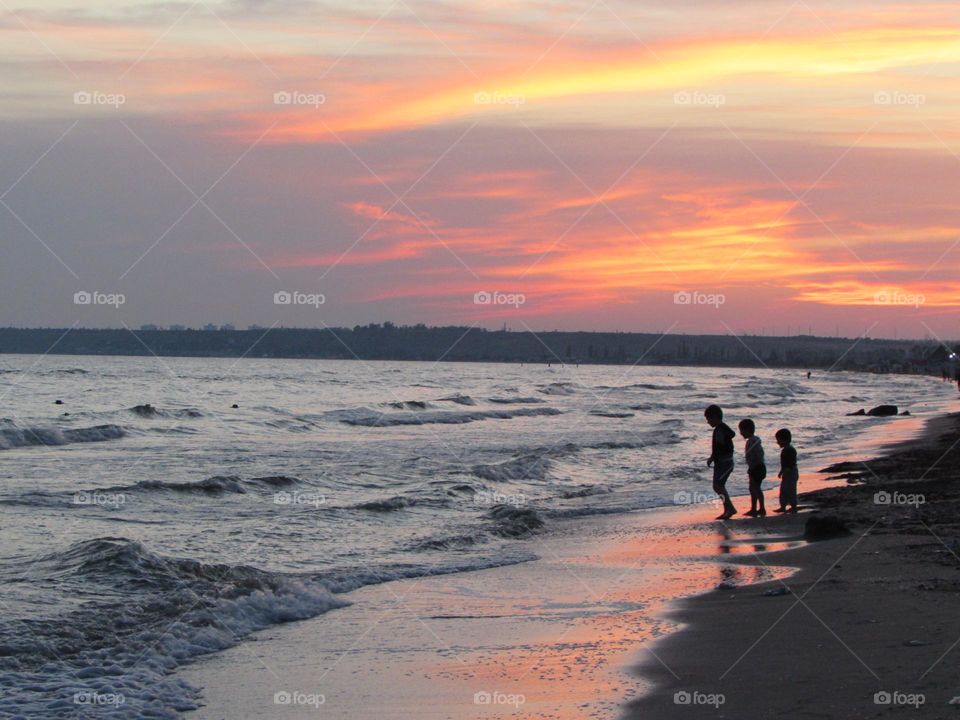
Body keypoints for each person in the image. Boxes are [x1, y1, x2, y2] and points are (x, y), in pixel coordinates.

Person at [705, 404, 737, 520]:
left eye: (709, 419)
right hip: (721, 463)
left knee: (718, 486)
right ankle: (727, 509)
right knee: (718, 486)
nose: (708, 422)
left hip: (725, 463)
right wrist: (712, 457)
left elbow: (721, 446)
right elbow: (717, 447)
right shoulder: (720, 429)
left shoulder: (721, 429)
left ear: (715, 417)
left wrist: (714, 456)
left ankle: (730, 508)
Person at [738, 418, 766, 517]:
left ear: (747, 430)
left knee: (755, 488)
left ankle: (759, 508)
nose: (740, 433)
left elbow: (754, 456)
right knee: (754, 488)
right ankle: (757, 508)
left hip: (756, 468)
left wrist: (752, 468)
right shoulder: (756, 440)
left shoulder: (751, 442)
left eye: (741, 430)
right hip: (760, 467)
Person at [774, 428, 799, 513]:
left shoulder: (790, 450)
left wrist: (786, 470)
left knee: (791, 490)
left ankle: (793, 506)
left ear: (785, 440)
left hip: (791, 472)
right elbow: (784, 463)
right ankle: (783, 506)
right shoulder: (786, 449)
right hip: (787, 472)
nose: (777, 442)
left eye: (779, 440)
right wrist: (782, 471)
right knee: (783, 490)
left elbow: (791, 463)